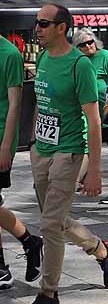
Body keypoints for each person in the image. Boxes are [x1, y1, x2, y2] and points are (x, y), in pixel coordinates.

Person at [24, 3, 108, 304]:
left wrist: (94, 170)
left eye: (43, 23)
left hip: (69, 151)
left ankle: (49, 293)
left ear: (62, 27)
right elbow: (42, 101)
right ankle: (102, 250)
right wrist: (35, 143)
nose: (37, 28)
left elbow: (93, 121)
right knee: (56, 220)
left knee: (49, 224)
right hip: (43, 151)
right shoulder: (44, 59)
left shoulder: (80, 66)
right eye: (37, 23)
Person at [0, 26, 42, 288]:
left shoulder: (9, 54)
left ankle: (28, 242)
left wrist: (7, 145)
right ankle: (28, 244)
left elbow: (16, 103)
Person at [75, 29, 108, 203]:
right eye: (83, 44)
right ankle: (80, 179)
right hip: (90, 113)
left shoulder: (106, 57)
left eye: (90, 42)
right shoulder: (79, 61)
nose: (88, 46)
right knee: (90, 145)